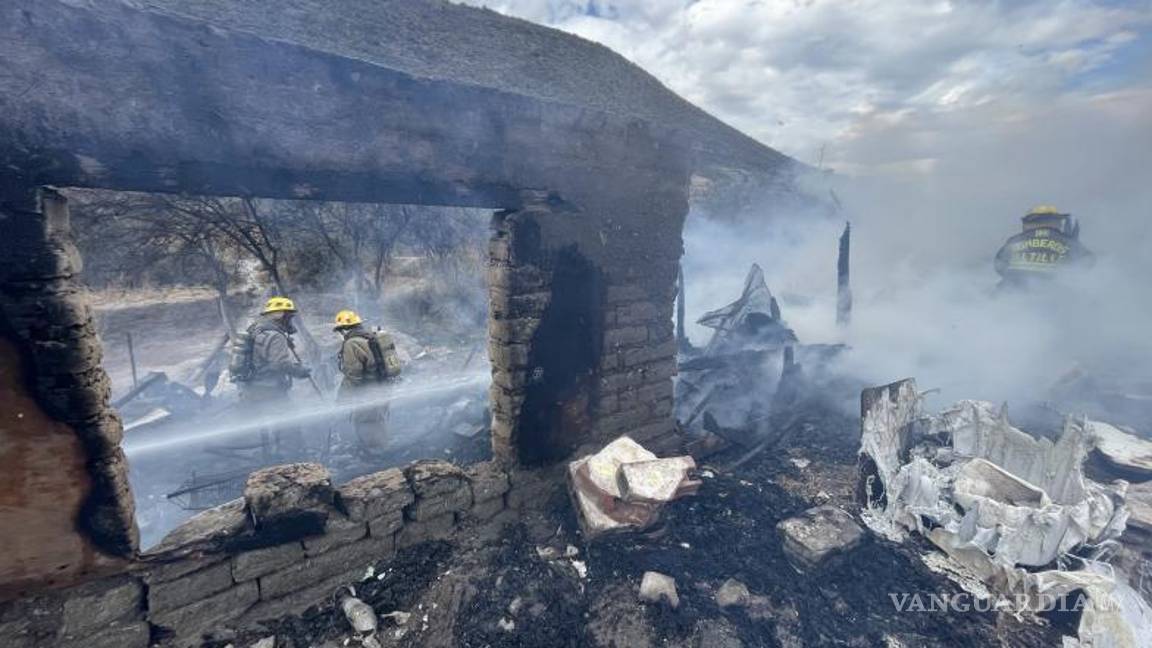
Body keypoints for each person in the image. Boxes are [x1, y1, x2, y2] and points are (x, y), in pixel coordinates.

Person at [230, 296, 312, 459]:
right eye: (289, 316)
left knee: (262, 425)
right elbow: (280, 364)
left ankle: (267, 456)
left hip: (250, 388)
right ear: (280, 315)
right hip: (269, 390)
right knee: (290, 424)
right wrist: (300, 371)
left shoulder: (256, 329)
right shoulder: (276, 336)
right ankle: (294, 459)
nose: (291, 319)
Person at [332, 309, 403, 457]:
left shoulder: (352, 343)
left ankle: (378, 456)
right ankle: (384, 449)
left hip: (367, 392)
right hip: (384, 388)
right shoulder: (371, 338)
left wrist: (342, 398)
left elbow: (353, 376)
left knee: (367, 422)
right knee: (378, 420)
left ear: (344, 330)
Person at [994, 205, 1094, 290]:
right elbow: (1087, 262)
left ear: (1029, 223)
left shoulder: (1014, 241)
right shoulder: (1067, 241)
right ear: (1055, 222)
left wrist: (1016, 277)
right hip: (1051, 296)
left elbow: (999, 264)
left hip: (1011, 293)